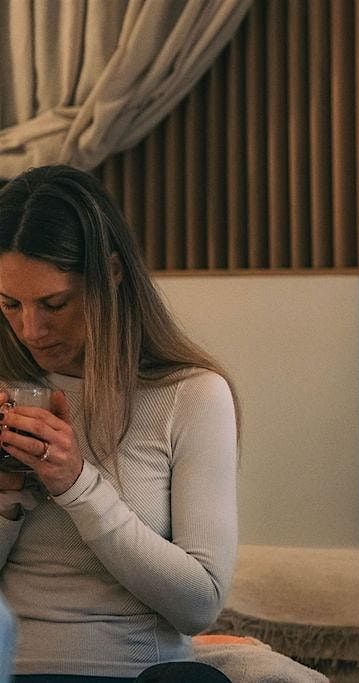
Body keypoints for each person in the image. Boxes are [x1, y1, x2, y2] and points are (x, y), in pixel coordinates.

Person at [0, 165, 238, 681]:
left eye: (54, 303)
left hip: (136, 671)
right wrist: (5, 495)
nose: (30, 329)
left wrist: (76, 484)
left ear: (110, 273)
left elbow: (200, 606)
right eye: (10, 304)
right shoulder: (5, 389)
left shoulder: (191, 395)